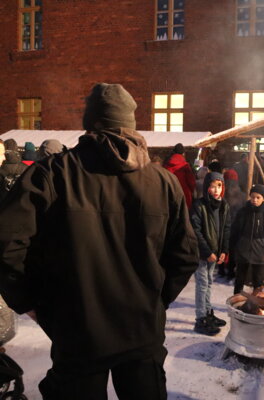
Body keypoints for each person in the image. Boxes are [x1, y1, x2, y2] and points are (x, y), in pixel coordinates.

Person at [0, 83, 199, 399]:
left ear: (90, 122)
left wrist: (32, 304)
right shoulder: (164, 182)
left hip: (79, 330)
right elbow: (185, 255)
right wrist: (155, 302)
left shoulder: (51, 173)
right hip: (138, 331)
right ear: (130, 124)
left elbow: (6, 246)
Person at [191, 172, 230, 335]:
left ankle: (208, 313)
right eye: (213, 186)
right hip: (201, 253)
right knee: (202, 284)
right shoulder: (198, 205)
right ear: (207, 187)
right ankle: (201, 319)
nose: (216, 189)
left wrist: (224, 251)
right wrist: (207, 252)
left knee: (209, 283)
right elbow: (195, 230)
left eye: (219, 186)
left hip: (214, 253)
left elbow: (226, 229)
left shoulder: (224, 206)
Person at [229, 184, 264, 294]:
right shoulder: (243, 212)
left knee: (257, 279)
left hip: (259, 250)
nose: (254, 200)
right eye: (252, 197)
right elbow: (235, 229)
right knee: (240, 278)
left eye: (258, 197)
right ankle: (237, 299)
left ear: (263, 198)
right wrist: (234, 245)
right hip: (243, 249)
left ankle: (256, 303)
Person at [164, 143, 196, 209]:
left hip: (170, 196)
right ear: (183, 153)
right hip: (184, 196)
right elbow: (191, 182)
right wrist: (193, 192)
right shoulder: (185, 166)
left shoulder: (166, 166)